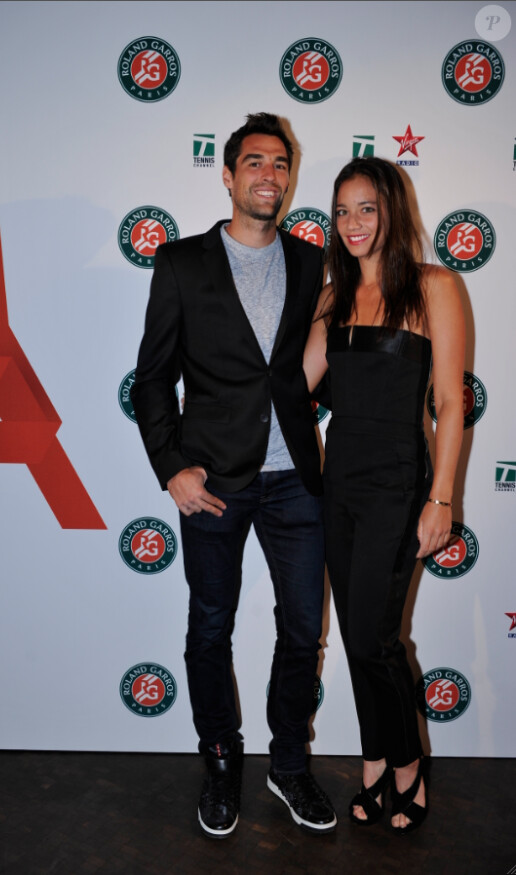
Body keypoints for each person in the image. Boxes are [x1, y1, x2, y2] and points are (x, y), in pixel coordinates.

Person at [131, 113, 336, 838]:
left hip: (296, 483)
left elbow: (313, 367)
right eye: (254, 162)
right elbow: (151, 379)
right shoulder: (182, 262)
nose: (268, 176)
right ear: (227, 174)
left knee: (304, 626)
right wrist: (170, 468)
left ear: (290, 176)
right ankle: (221, 760)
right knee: (210, 626)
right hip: (214, 480)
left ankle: (288, 764)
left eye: (280, 164)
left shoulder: (313, 262)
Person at [303, 157, 465, 835]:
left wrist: (442, 498)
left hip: (400, 484)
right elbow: (296, 382)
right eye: (341, 210)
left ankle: (407, 762)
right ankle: (375, 756)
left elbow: (452, 403)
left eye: (366, 207)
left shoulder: (435, 286)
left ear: (392, 210)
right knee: (358, 635)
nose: (353, 222)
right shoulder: (331, 294)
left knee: (374, 636)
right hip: (336, 481)